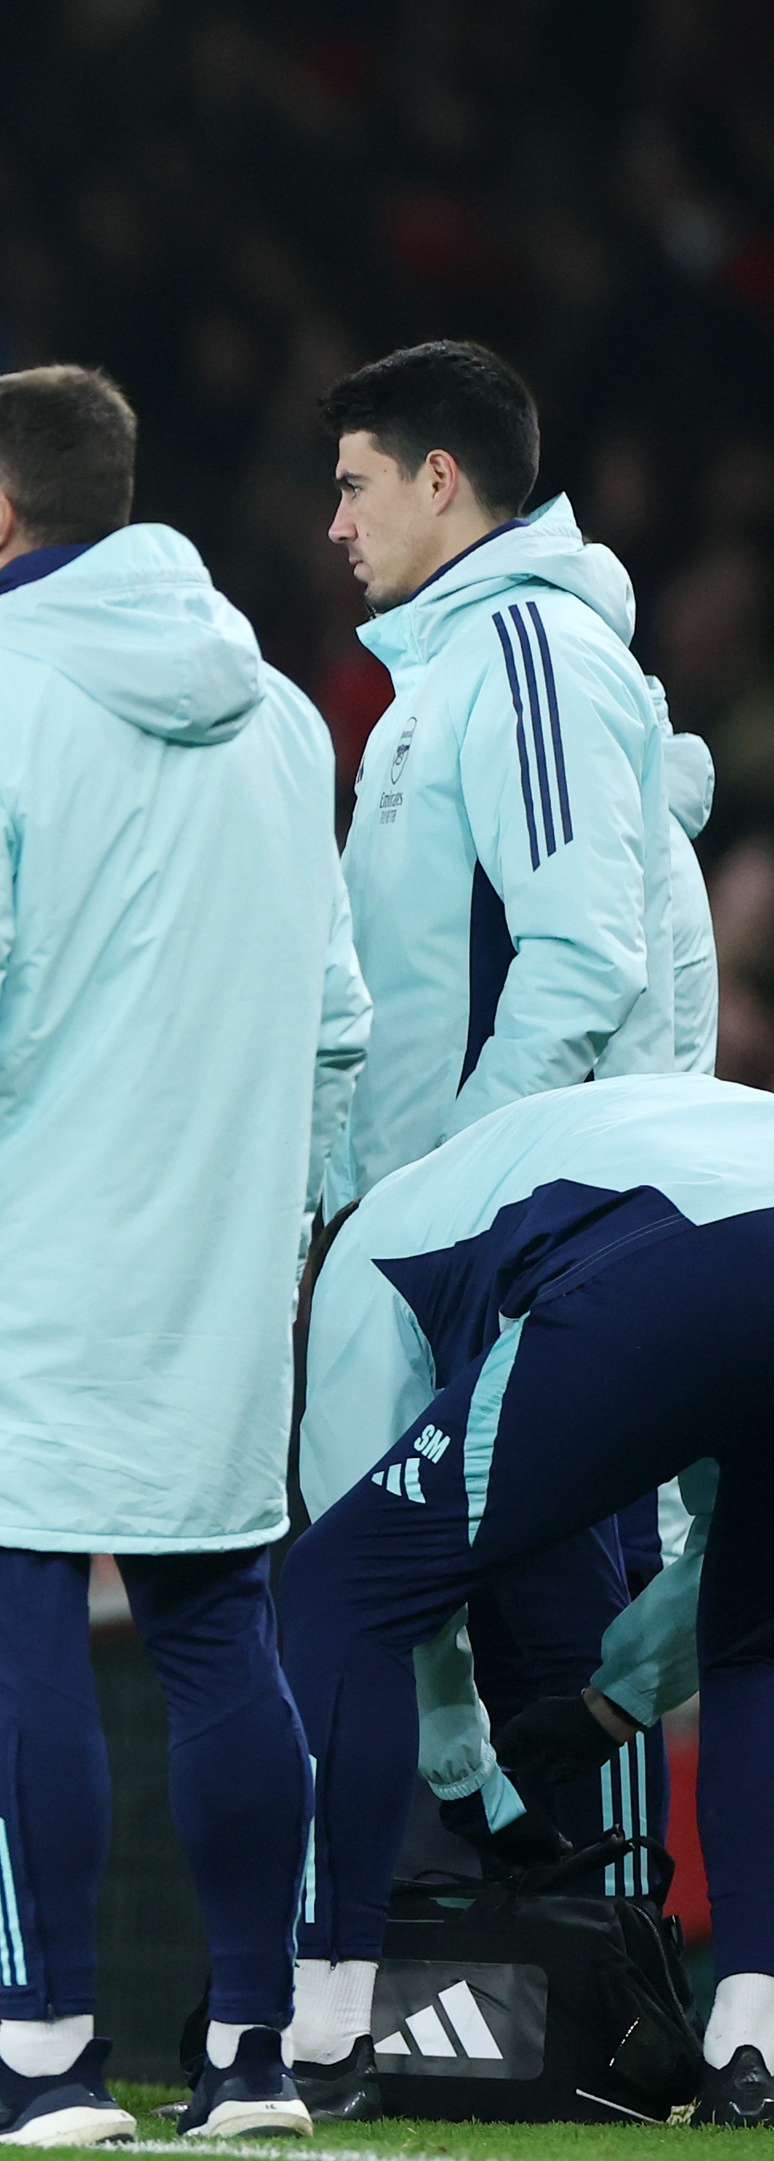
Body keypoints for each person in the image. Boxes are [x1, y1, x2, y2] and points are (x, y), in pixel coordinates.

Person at [0, 366, 367, 2145]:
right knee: (216, 1635)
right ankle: (253, 2053)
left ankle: (41, 2056)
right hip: (221, 1248)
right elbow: (334, 1018)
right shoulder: (270, 703)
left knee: (12, 1642)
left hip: (11, 1244)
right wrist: (301, 1218)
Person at [321, 340, 683, 1893]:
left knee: (558, 1602)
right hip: (468, 1243)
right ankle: (566, 1964)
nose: (332, 523)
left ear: (439, 479)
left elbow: (582, 951)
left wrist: (468, 1191)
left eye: (351, 484)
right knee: (478, 1603)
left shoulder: (528, 649)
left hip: (535, 1249)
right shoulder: (446, 674)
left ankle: (623, 1992)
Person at [279, 1074, 774, 2129]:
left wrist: (467, 1783)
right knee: (760, 1642)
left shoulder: (367, 1252)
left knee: (329, 1588)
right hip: (712, 1219)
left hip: (671, 1256)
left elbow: (375, 1592)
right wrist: (617, 1701)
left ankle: (320, 2041)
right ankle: (753, 2052)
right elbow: (715, 1558)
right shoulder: (543, 1146)